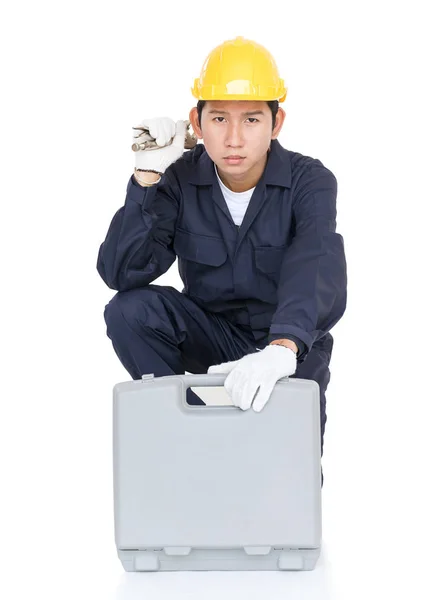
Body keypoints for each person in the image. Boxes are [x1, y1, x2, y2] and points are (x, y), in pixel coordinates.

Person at [97, 36, 348, 485]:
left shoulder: (311, 181)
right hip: (212, 339)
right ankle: (180, 432)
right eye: (218, 119)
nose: (233, 139)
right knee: (129, 310)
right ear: (196, 121)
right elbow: (121, 272)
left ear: (276, 122)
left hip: (287, 347)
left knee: (290, 480)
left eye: (251, 119)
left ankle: (265, 458)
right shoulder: (177, 177)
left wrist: (282, 348)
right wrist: (146, 179)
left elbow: (315, 261)